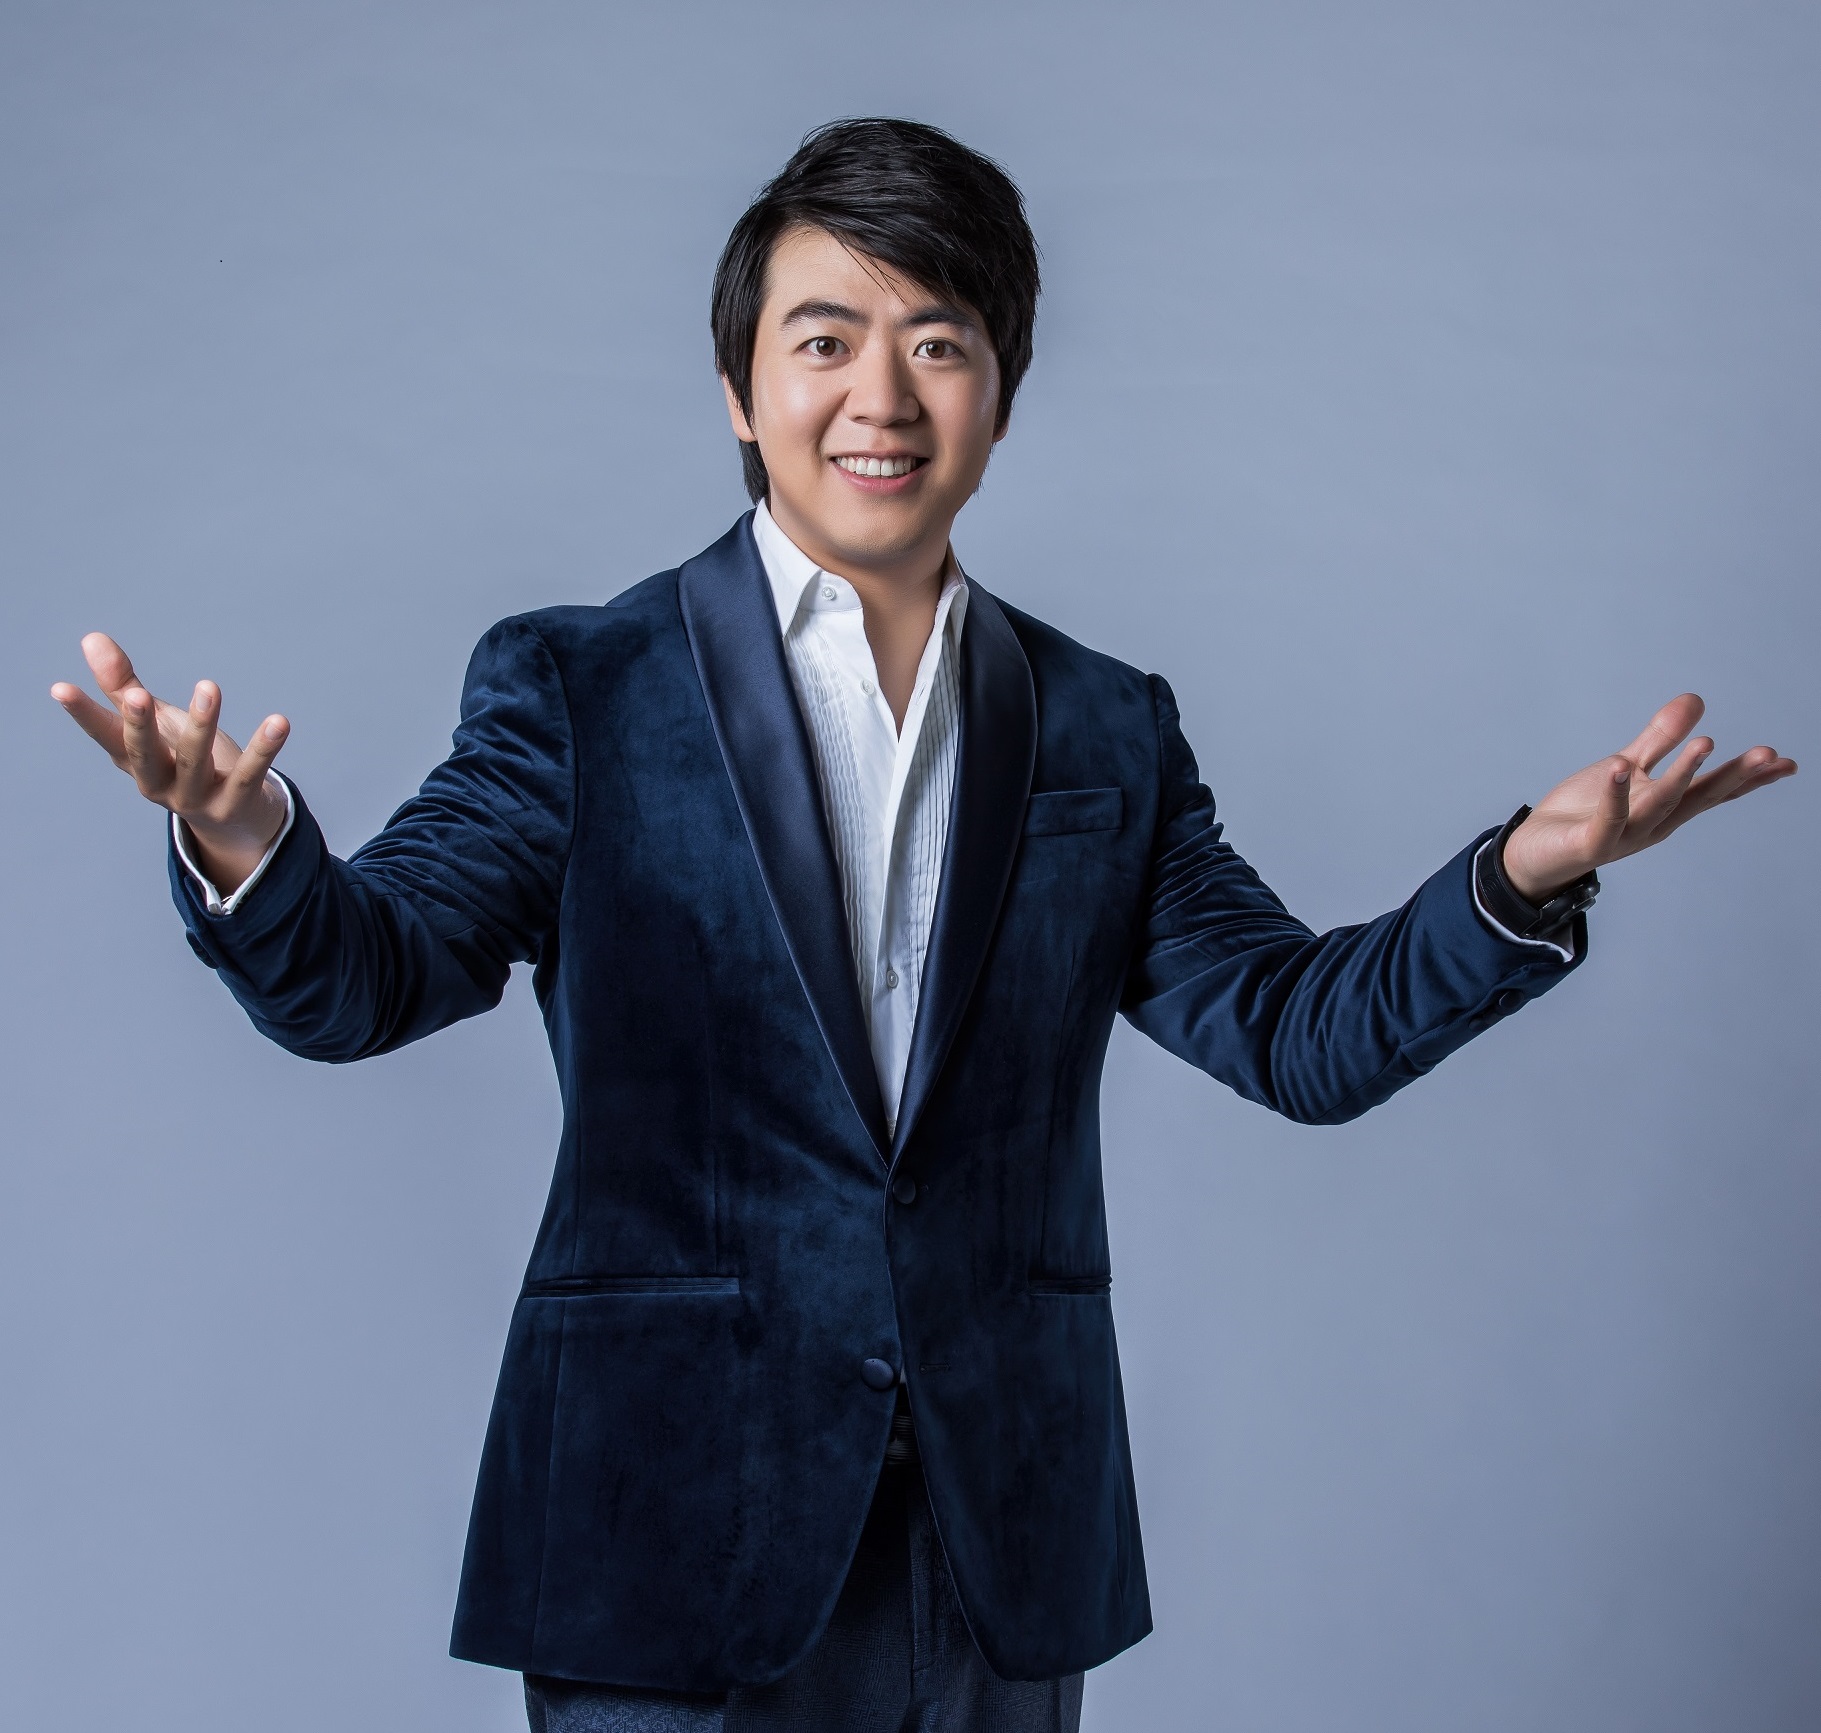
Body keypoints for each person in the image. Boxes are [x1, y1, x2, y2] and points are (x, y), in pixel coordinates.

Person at [50, 119, 1795, 1733]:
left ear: (1001, 392)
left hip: (993, 1554)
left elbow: (1291, 1031)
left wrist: (1517, 878)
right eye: (823, 339)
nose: (878, 395)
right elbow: (373, 974)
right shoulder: (581, 684)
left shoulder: (1102, 725)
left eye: (937, 342)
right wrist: (243, 836)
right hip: (663, 1538)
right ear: (739, 386)